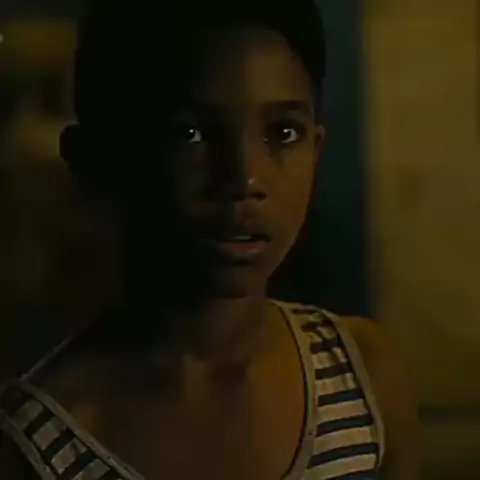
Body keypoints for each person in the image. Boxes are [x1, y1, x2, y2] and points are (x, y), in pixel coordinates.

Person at [0, 0, 420, 478]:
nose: (244, 178)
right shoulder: (35, 447)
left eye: (283, 132)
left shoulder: (363, 379)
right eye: (190, 133)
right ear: (95, 161)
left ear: (317, 149)